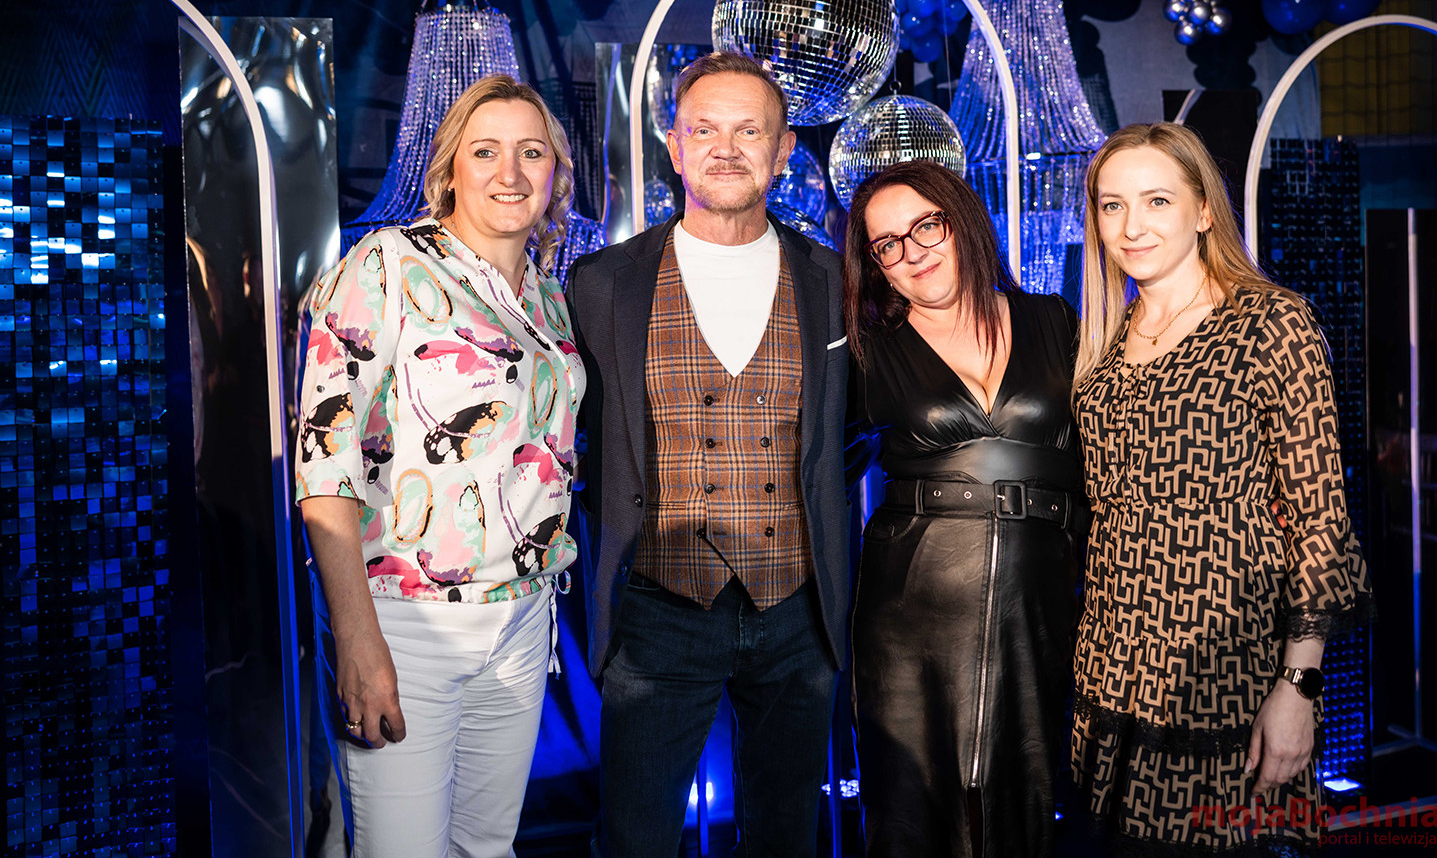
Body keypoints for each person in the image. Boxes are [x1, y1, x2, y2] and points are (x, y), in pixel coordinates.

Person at [566, 51, 851, 858]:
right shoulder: (602, 282)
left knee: (787, 838)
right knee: (636, 840)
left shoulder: (834, 281)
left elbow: (860, 427)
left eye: (748, 131)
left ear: (784, 148)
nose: (726, 148)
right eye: (704, 129)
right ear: (674, 144)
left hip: (798, 606)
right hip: (657, 606)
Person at [296, 74, 584, 857]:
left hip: (522, 617)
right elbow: (324, 463)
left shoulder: (548, 298)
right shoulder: (387, 264)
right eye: (485, 151)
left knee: (486, 848)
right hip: (406, 620)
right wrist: (357, 638)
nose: (510, 172)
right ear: (449, 168)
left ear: (556, 171)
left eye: (532, 152)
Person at [1070, 123, 1373, 854]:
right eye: (1112, 205)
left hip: (1225, 670)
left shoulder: (1271, 323)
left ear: (1205, 209)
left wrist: (1298, 687)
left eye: (1156, 201)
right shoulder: (1104, 337)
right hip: (1111, 670)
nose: (1132, 226)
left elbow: (1320, 519)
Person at [843, 160, 1086, 857]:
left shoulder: (1053, 320)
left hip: (1038, 600)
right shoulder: (867, 351)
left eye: (927, 226)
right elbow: (816, 464)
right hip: (909, 607)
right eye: (888, 244)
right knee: (914, 816)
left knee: (1026, 804)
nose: (912, 252)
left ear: (962, 221)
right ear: (875, 265)